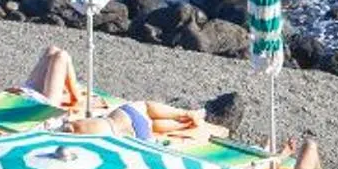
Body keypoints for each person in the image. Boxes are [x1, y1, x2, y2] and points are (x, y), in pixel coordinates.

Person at [21, 46, 207, 142]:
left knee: (151, 123)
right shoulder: (52, 120)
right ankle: (185, 116)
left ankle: (184, 121)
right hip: (117, 121)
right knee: (146, 110)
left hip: (136, 132)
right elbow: (70, 129)